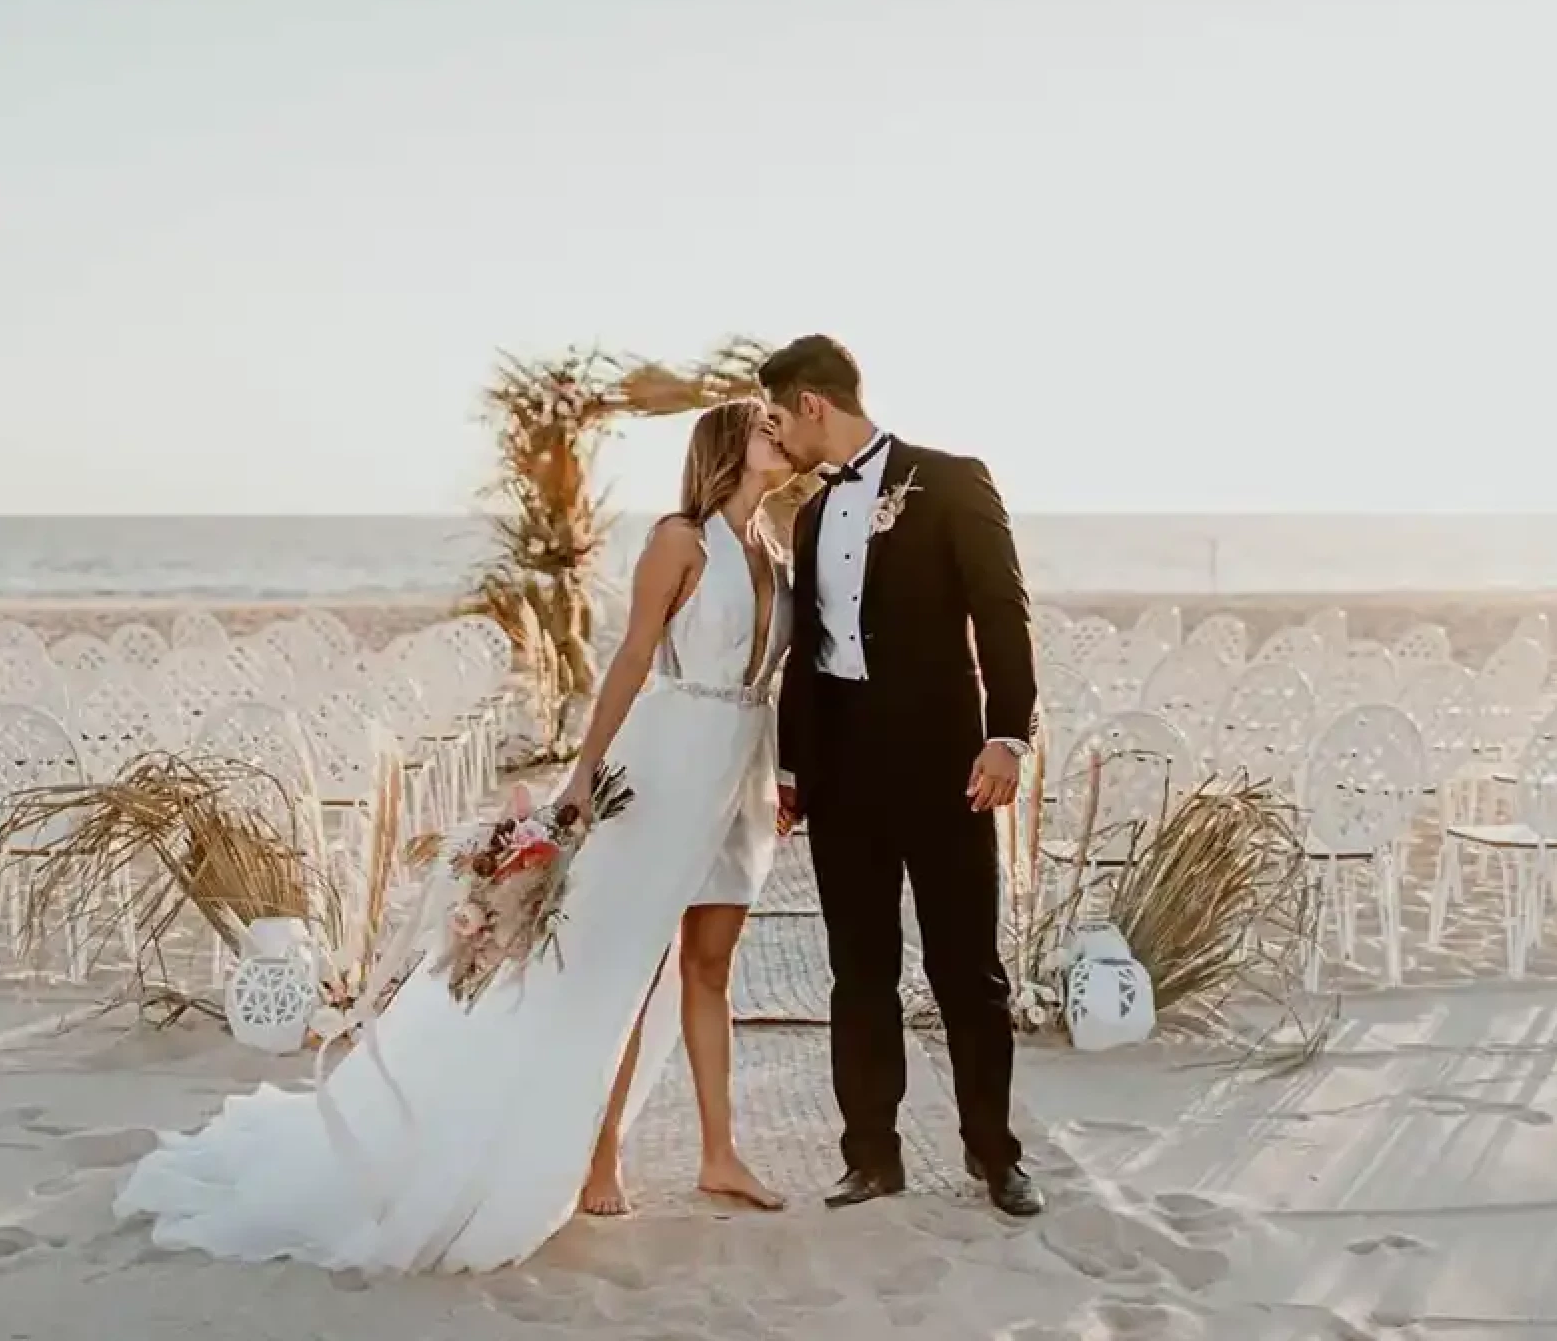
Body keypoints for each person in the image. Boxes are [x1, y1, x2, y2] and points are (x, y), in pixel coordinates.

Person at [113, 399, 794, 1273]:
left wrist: (782, 778)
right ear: (730, 445)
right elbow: (630, 657)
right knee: (624, 962)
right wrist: (583, 772)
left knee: (708, 964)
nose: (782, 436)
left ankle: (718, 1152)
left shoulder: (773, 549)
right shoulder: (681, 539)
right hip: (665, 766)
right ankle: (599, 1152)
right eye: (767, 425)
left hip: (737, 773)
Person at [762, 333, 1046, 1218]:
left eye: (779, 415)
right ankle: (871, 1157)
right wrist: (795, 766)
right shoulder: (807, 514)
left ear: (814, 403)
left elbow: (1004, 613)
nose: (778, 436)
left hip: (945, 770)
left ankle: (996, 1157)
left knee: (968, 969)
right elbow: (810, 654)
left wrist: (1010, 737)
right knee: (859, 970)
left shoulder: (952, 479)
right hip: (842, 776)